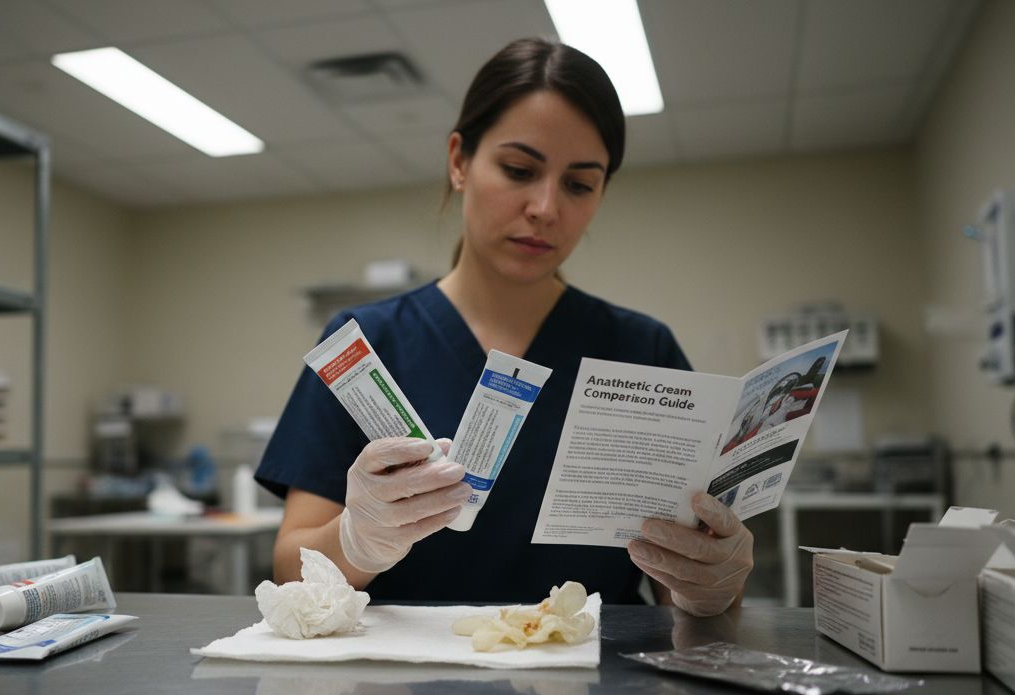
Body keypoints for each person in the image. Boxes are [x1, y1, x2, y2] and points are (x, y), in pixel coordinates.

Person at [256, 38, 753, 617]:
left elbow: (681, 594)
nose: (545, 207)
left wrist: (714, 582)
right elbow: (291, 570)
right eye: (519, 170)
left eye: (579, 184)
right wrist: (355, 540)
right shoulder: (367, 344)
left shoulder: (642, 350)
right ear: (459, 160)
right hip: (397, 694)